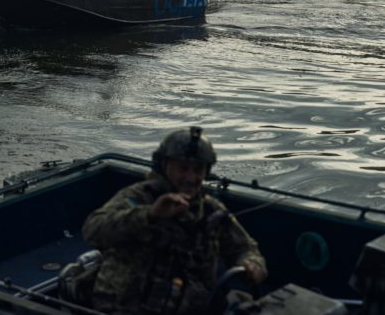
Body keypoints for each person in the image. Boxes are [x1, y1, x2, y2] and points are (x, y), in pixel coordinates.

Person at [82, 126, 267, 315]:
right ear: (164, 166)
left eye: (198, 170)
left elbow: (244, 247)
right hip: (127, 308)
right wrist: (149, 215)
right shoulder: (139, 197)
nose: (190, 178)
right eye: (183, 168)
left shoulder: (210, 209)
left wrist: (252, 265)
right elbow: (93, 229)